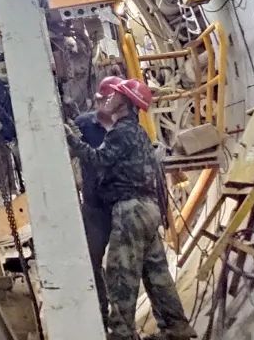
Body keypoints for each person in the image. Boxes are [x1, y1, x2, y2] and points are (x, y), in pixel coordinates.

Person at [65, 78, 196, 340]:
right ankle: (176, 325)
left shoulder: (121, 132)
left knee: (120, 274)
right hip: (148, 210)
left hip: (130, 211)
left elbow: (100, 159)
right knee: (156, 273)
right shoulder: (139, 133)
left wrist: (73, 140)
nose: (108, 99)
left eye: (114, 96)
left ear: (123, 103)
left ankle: (121, 333)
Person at [74, 76, 122, 324]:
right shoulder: (83, 125)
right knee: (91, 262)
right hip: (94, 208)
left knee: (123, 265)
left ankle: (123, 320)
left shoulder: (126, 127)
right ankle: (100, 316)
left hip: (122, 207)